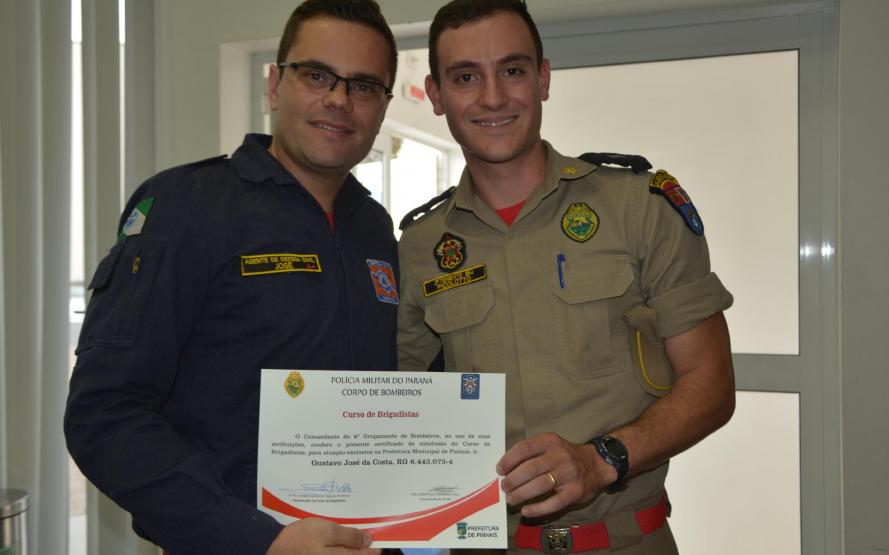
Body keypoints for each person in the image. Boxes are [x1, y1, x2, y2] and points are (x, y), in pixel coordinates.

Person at [396, 1, 736, 553]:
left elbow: (712, 384)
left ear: (543, 79)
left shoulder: (637, 207)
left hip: (626, 541)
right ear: (436, 96)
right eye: (465, 77)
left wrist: (602, 460)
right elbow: (399, 402)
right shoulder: (419, 247)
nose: (493, 97)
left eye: (512, 70)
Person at [64, 1, 401, 553]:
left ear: (383, 106)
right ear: (275, 84)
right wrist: (258, 540)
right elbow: (104, 415)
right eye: (316, 75)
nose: (339, 99)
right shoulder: (186, 206)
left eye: (363, 86)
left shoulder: (375, 229)